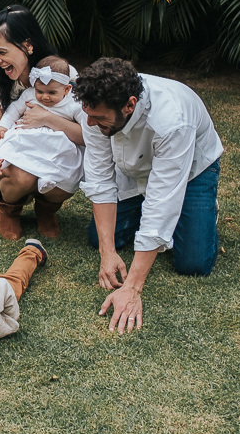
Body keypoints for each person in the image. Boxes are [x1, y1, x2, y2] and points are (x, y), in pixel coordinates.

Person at [72, 57, 224, 334]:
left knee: (193, 263)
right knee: (98, 238)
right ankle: (146, 211)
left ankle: (202, 210)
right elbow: (100, 179)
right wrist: (108, 253)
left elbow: (162, 201)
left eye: (100, 118)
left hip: (191, 171)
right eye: (87, 114)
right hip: (132, 168)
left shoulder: (172, 121)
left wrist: (132, 288)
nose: (89, 123)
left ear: (129, 105)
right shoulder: (92, 108)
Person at [0, 5, 82, 238]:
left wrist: (46, 118)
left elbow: (88, 133)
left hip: (58, 145)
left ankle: (46, 210)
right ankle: (9, 210)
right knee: (23, 176)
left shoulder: (64, 74)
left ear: (28, 46)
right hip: (18, 146)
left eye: (1, 52)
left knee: (64, 172)